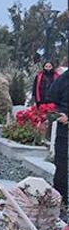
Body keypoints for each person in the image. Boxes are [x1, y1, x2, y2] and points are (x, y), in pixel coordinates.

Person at [48, 68, 68, 214]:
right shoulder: (63, 79)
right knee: (61, 164)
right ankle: (61, 199)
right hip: (64, 127)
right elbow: (51, 97)